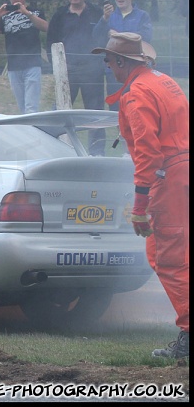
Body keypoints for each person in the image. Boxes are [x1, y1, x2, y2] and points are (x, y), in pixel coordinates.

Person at [92, 32, 189, 359]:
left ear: (121, 61)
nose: (106, 66)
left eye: (108, 60)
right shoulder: (164, 80)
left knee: (169, 258)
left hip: (170, 179)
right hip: (183, 172)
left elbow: (148, 154)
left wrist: (138, 207)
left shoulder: (135, 95)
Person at [47, 0, 106, 156]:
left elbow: (105, 38)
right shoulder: (59, 16)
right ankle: (58, 150)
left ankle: (97, 153)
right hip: (68, 72)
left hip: (93, 72)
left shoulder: (97, 13)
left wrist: (101, 63)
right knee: (61, 113)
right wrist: (58, 69)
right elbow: (50, 43)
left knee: (95, 114)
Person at [93, 0, 153, 113]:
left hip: (138, 71)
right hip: (114, 72)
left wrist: (119, 36)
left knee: (139, 108)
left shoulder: (142, 16)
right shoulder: (109, 16)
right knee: (117, 111)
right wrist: (104, 19)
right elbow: (96, 37)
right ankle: (120, 134)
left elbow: (145, 37)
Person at [0, 0, 48, 114]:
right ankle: (27, 130)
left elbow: (46, 27)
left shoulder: (35, 12)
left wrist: (27, 13)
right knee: (22, 107)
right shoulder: (4, 16)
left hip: (33, 64)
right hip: (13, 66)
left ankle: (32, 131)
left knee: (31, 107)